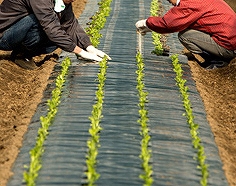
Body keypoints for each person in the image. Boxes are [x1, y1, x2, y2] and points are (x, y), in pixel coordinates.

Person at [0, 0, 111, 70]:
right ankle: (21, 54)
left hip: (19, 33)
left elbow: (70, 24)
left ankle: (22, 53)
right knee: (40, 22)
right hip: (5, 35)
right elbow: (51, 28)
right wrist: (80, 52)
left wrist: (89, 47)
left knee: (58, 39)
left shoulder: (63, 2)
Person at [135, 0, 236, 69]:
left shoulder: (190, 3)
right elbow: (181, 23)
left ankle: (217, 61)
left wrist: (146, 22)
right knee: (187, 30)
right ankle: (217, 57)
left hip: (228, 46)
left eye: (171, 1)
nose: (172, 4)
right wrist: (151, 28)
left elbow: (169, 23)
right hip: (231, 40)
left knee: (185, 36)